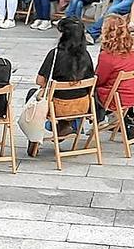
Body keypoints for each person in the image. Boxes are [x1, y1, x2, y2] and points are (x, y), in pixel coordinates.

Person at [27, 18, 96, 157]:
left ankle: (33, 138)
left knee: (32, 95)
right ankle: (65, 125)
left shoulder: (55, 54)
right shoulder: (86, 55)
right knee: (68, 95)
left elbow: (40, 81)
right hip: (83, 105)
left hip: (59, 107)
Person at [94, 15, 134, 124]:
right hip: (133, 95)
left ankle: (92, 122)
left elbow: (99, 80)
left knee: (87, 92)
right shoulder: (132, 54)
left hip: (116, 99)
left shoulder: (107, 56)